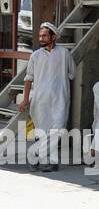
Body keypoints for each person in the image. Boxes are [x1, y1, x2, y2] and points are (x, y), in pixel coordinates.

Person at [17, 22, 75, 172]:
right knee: (44, 132)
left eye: (44, 36)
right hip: (40, 100)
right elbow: (28, 78)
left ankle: (35, 153)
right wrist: (25, 99)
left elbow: (72, 74)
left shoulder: (64, 53)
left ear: (53, 37)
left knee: (58, 129)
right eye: (40, 36)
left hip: (60, 98)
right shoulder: (35, 55)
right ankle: (52, 162)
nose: (41, 38)